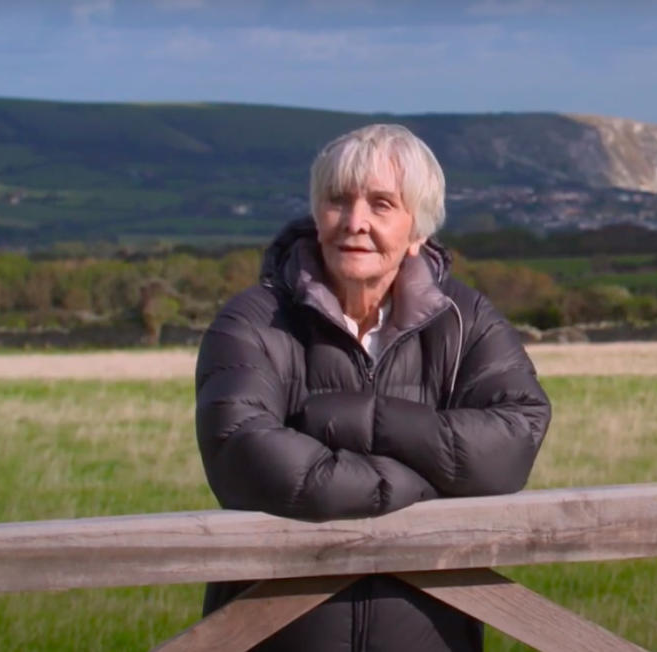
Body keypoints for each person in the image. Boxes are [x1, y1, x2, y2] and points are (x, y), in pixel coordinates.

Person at [194, 123, 552, 651]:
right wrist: (418, 483)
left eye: (382, 204)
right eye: (338, 200)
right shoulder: (255, 321)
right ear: (317, 214)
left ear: (418, 230)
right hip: (274, 638)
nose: (355, 222)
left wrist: (356, 421)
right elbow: (245, 458)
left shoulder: (464, 320)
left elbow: (513, 441)